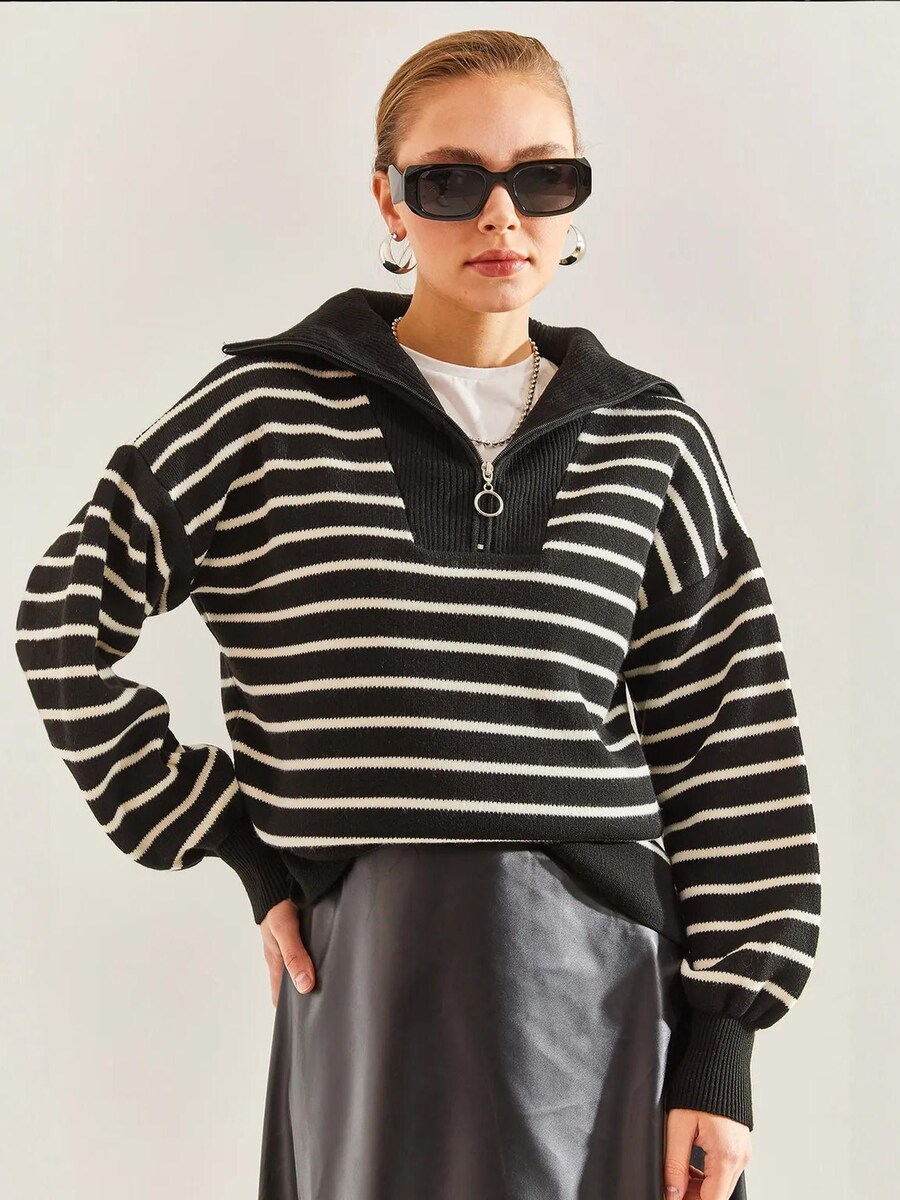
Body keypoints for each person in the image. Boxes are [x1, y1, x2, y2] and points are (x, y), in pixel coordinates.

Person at [14, 28, 821, 1200]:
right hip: (371, 981)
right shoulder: (265, 412)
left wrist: (723, 1045)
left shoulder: (650, 438)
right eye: (450, 182)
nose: (502, 216)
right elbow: (62, 621)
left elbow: (730, 747)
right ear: (389, 202)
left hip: (606, 995)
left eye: (542, 178)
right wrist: (236, 840)